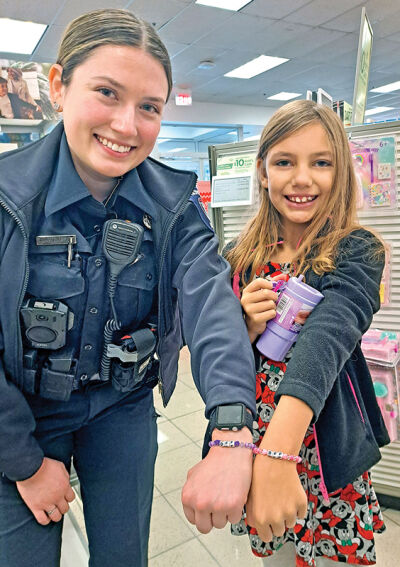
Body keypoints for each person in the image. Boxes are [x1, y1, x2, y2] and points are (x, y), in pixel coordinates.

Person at [0, 9, 257, 567]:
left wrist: (233, 429)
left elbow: (213, 304)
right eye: (107, 93)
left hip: (122, 407)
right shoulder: (7, 198)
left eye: (149, 107)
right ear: (59, 86)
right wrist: (22, 460)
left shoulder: (174, 208)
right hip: (20, 411)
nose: (126, 125)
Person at [224, 100, 390, 567]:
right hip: (257, 441)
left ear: (341, 173)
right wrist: (244, 325)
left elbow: (329, 336)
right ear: (262, 171)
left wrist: (280, 451)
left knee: (339, 555)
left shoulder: (357, 250)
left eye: (321, 163)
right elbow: (215, 353)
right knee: (276, 554)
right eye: (284, 162)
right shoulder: (240, 257)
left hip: (326, 445)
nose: (302, 179)